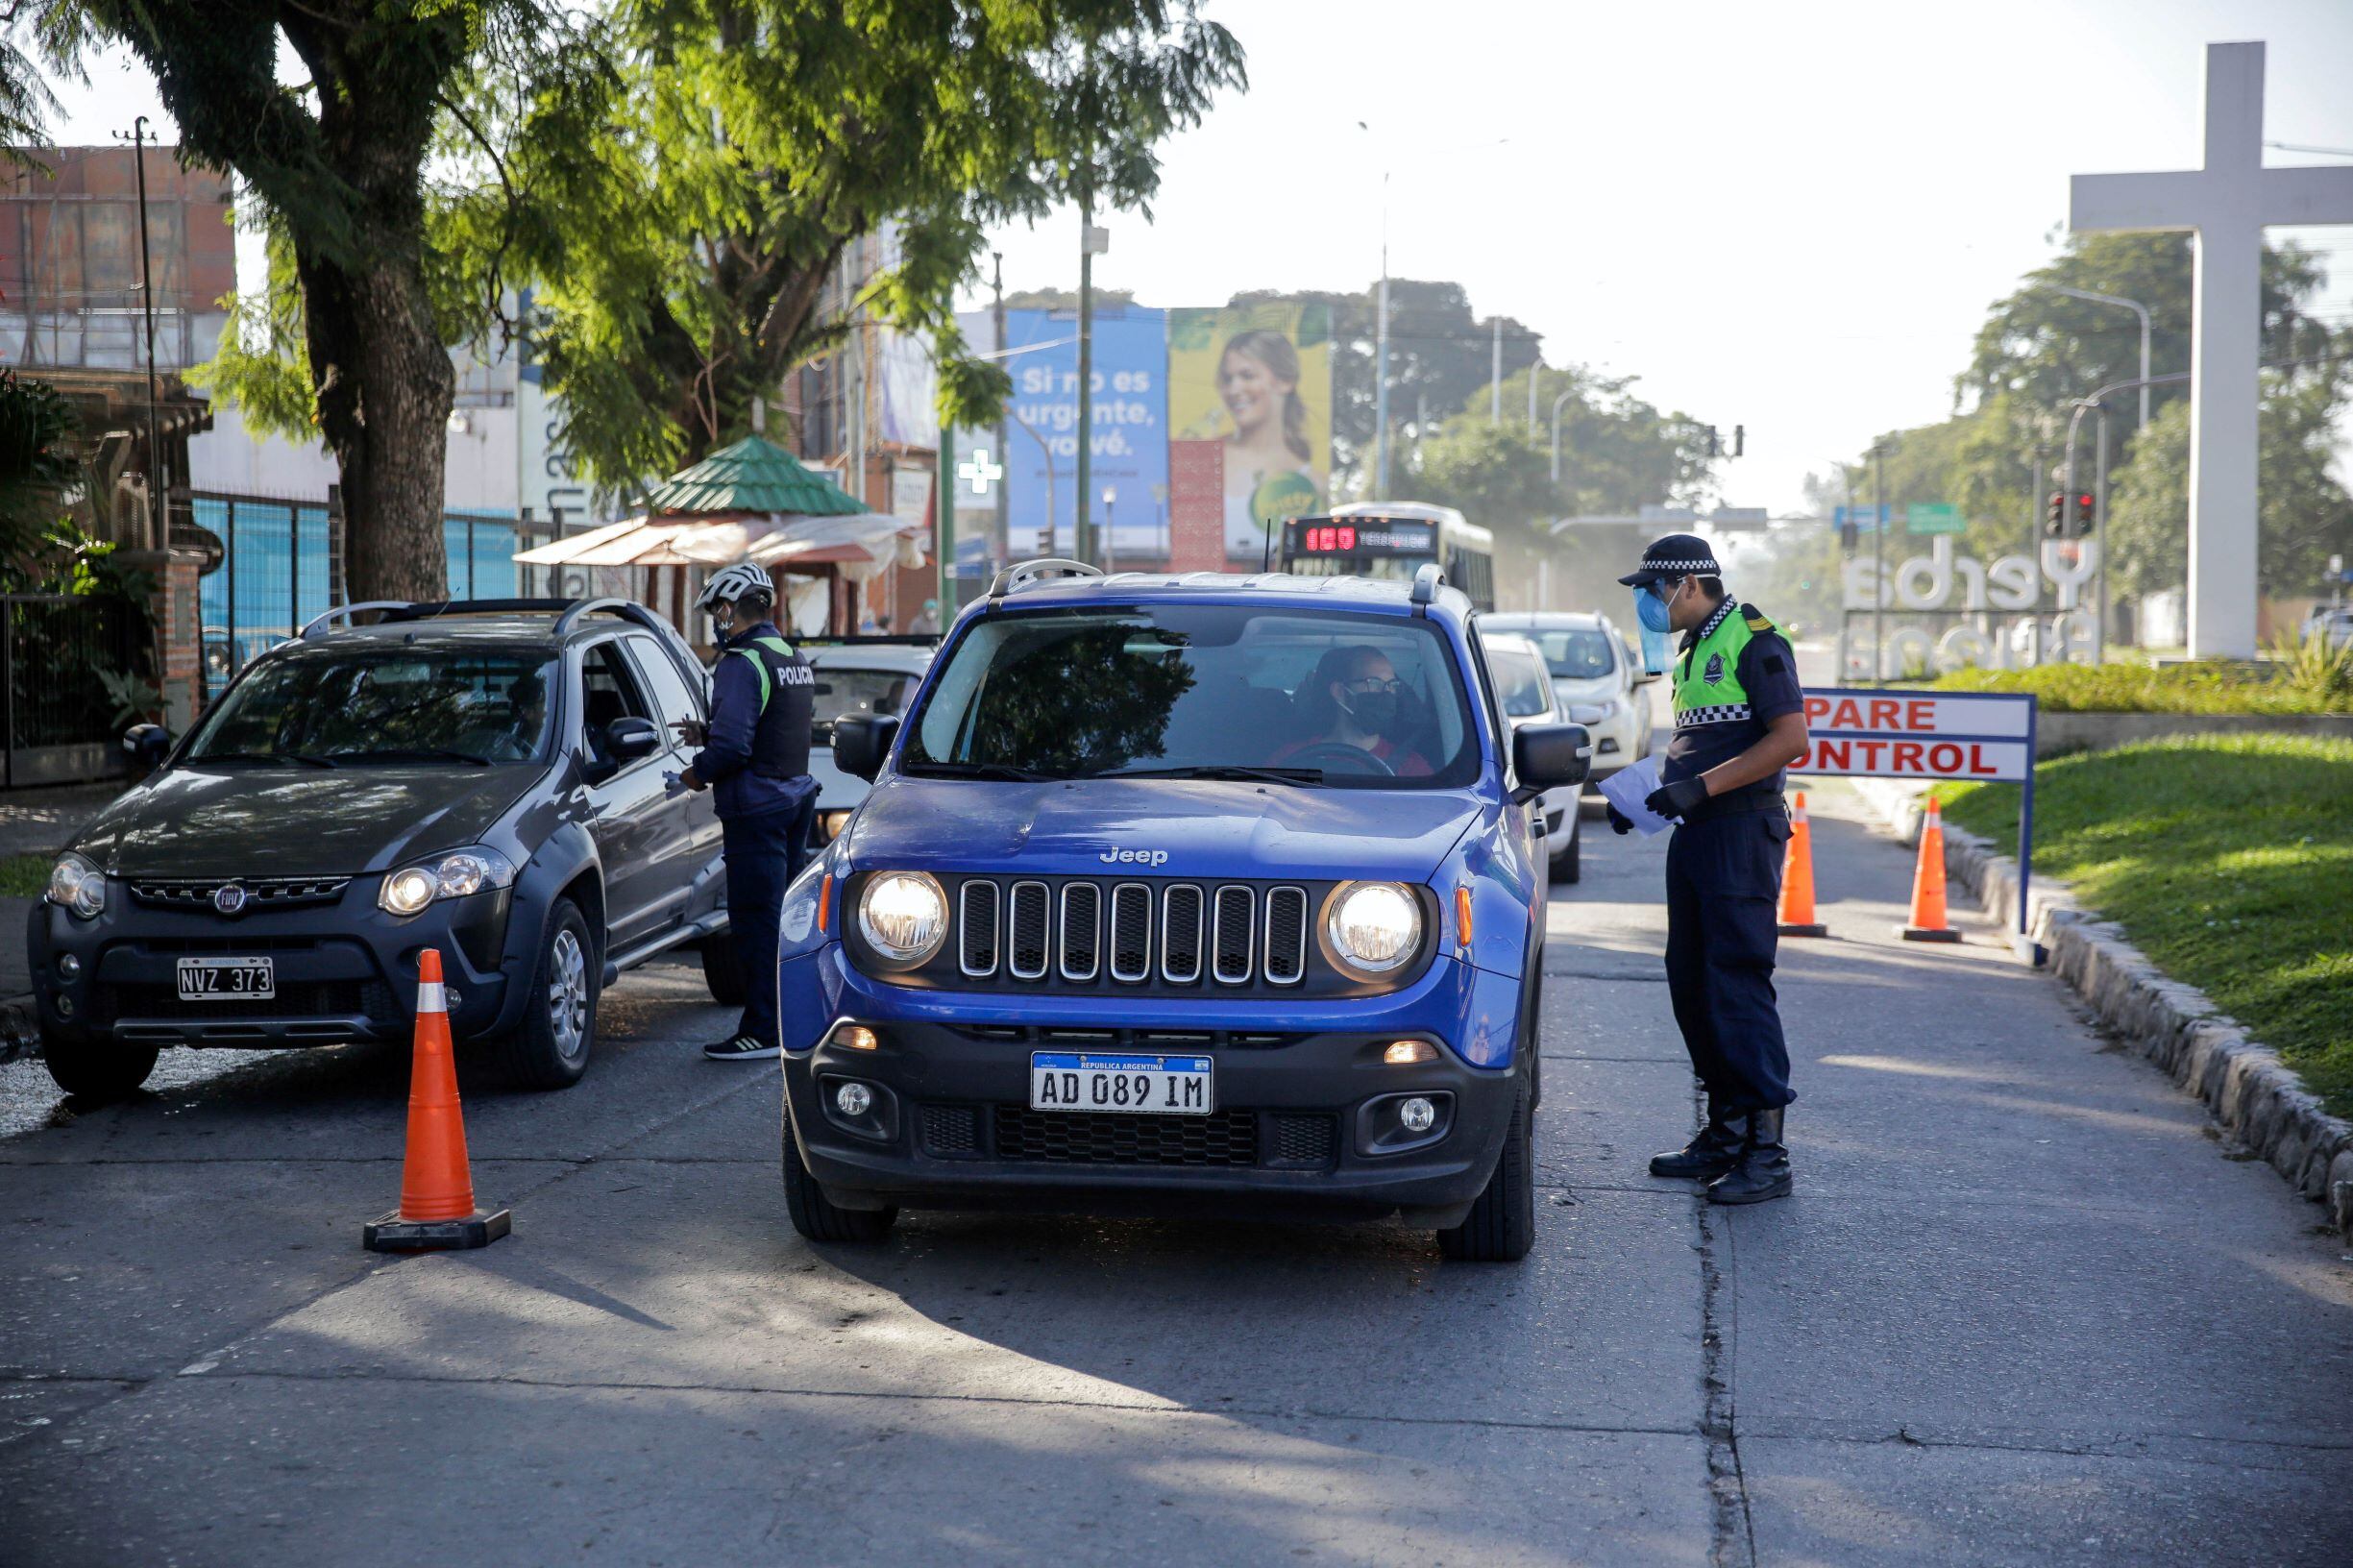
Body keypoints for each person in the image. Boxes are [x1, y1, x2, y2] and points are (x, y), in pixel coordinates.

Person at [1609, 533, 1809, 1204]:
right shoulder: (1693, 650)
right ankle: (1722, 1134)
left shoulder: (1754, 639)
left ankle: (1766, 1153)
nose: (1648, 602)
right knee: (1691, 983)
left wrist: (1699, 791)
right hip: (1697, 834)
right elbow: (1694, 747)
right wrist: (1638, 797)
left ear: (1690, 583)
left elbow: (1789, 740)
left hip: (1739, 833)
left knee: (1736, 982)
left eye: (1653, 589)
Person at [674, 563, 819, 1062]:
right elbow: (769, 729)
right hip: (792, 802)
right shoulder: (788, 655)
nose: (717, 618)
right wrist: (711, 732)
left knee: (755, 923)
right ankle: (791, 1018)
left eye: (717, 608)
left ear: (732, 608)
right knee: (784, 921)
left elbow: (734, 750)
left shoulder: (739, 661)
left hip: (755, 810)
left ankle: (761, 1029)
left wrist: (694, 773)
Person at [1215, 330, 1322, 555]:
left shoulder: (1314, 483)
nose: (1234, 390)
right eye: (1228, 379)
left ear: (1285, 381)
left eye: (1247, 376)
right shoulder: (1207, 459)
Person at [1272, 645, 1432, 775]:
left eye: (1392, 685)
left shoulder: (1411, 767)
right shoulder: (1291, 759)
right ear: (1340, 692)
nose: (1386, 693)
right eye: (1374, 683)